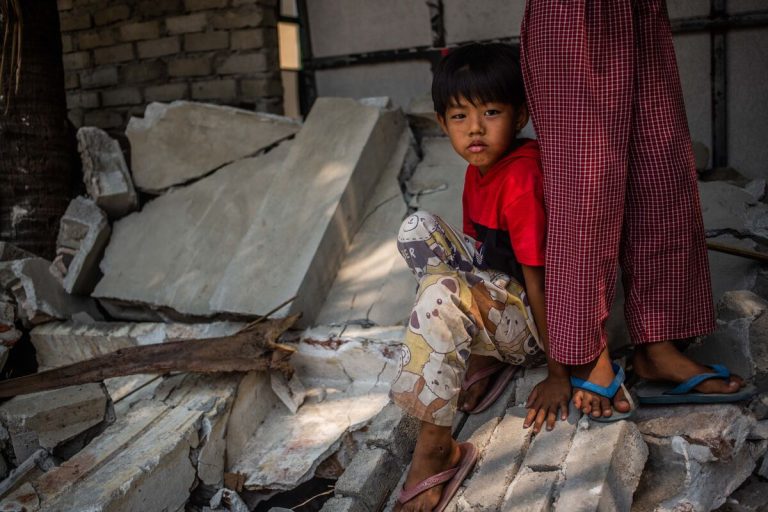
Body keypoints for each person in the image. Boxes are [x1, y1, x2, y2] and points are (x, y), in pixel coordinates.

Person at [519, 0, 751, 416]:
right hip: (572, 11)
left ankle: (658, 343)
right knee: (587, 187)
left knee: (661, 175)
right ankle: (587, 352)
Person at [390, 43, 570, 512]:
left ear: (521, 115)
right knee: (417, 229)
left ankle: (437, 446)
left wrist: (557, 372)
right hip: (502, 302)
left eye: (491, 112)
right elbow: (480, 255)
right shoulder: (479, 170)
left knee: (440, 290)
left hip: (531, 326)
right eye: (458, 116)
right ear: (440, 121)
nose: (474, 128)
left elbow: (542, 279)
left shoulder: (522, 178)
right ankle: (478, 356)